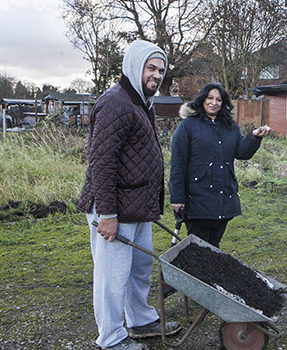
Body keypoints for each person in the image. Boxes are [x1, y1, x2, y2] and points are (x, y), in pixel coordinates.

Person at [78, 40, 182, 350]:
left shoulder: (140, 101)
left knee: (138, 268)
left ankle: (139, 319)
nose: (156, 75)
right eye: (151, 68)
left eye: (160, 70)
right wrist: (107, 214)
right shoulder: (115, 102)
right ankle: (110, 338)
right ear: (135, 66)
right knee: (112, 277)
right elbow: (102, 162)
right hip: (114, 209)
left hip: (137, 206)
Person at [169, 83, 270, 247]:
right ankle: (194, 273)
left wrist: (253, 137)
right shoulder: (187, 126)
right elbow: (178, 164)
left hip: (224, 198)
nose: (213, 102)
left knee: (214, 245)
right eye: (210, 98)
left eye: (218, 99)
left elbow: (242, 153)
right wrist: (177, 198)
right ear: (202, 99)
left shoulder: (229, 126)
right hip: (198, 199)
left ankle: (210, 272)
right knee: (198, 247)